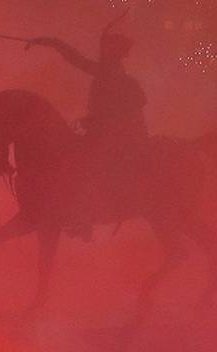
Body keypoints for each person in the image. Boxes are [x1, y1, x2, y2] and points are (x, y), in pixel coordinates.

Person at [26, 20, 147, 232]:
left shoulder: (111, 72)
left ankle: (83, 213)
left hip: (114, 134)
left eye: (107, 48)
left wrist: (51, 42)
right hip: (106, 131)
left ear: (113, 52)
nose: (103, 51)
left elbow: (113, 110)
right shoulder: (110, 69)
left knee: (86, 166)